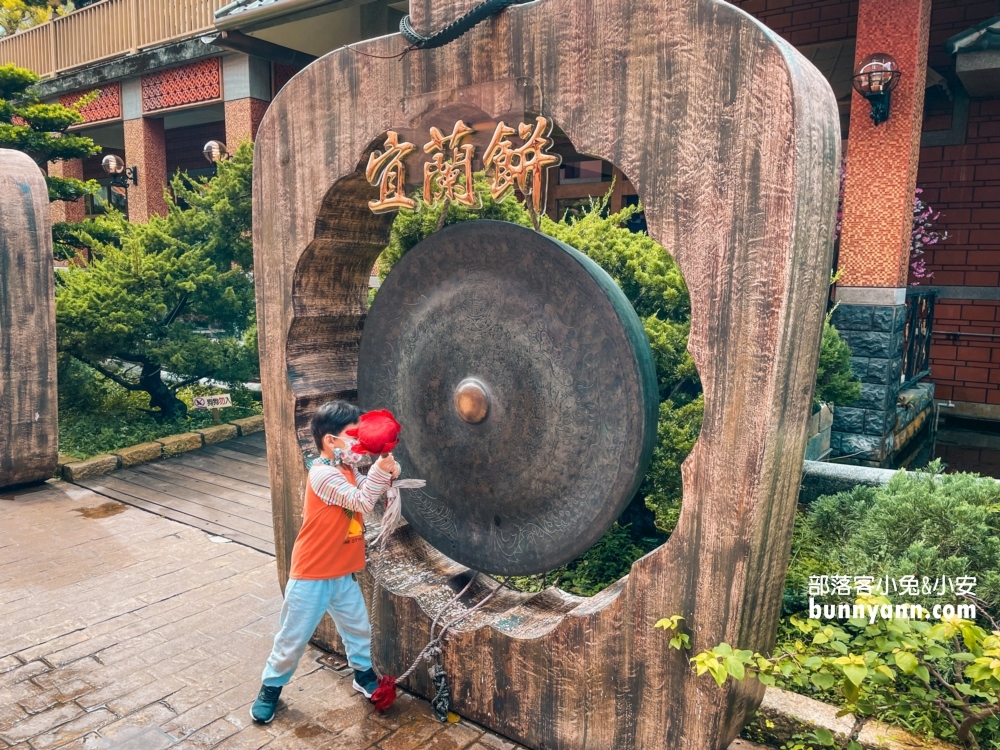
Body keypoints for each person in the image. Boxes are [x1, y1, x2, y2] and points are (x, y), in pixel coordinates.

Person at [250, 401, 399, 724]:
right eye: (353, 437)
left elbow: (370, 489)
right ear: (331, 440)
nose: (359, 444)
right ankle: (271, 687)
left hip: (343, 572)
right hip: (312, 574)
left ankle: (362, 674)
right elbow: (360, 500)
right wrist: (377, 474)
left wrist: (387, 472)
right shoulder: (322, 475)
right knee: (293, 638)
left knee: (359, 629)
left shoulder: (348, 470)